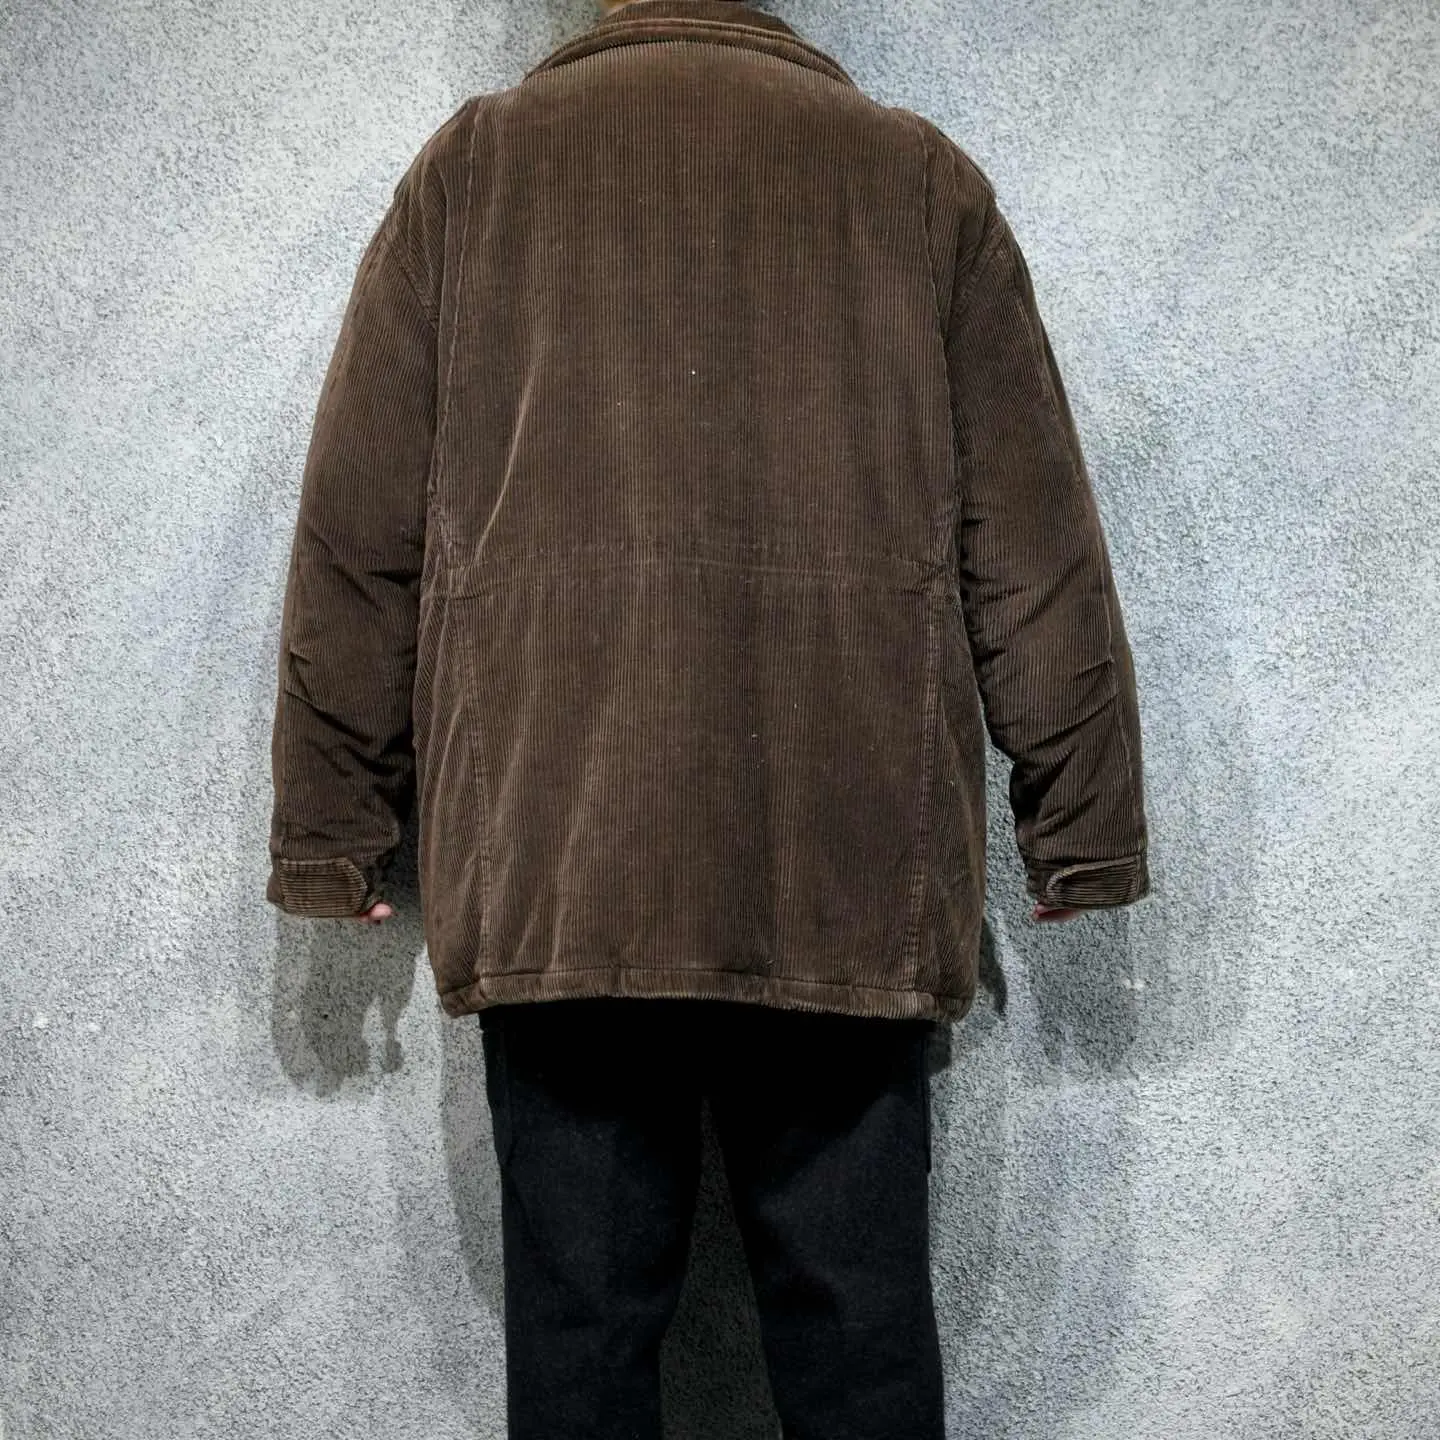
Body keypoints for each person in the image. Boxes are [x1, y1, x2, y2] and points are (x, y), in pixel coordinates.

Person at [264, 1, 1152, 1433]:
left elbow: (358, 539)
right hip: (843, 872)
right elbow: (1037, 548)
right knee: (857, 1344)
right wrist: (1082, 827)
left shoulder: (476, 172)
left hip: (565, 867)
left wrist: (333, 827)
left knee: (583, 1348)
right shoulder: (916, 183)